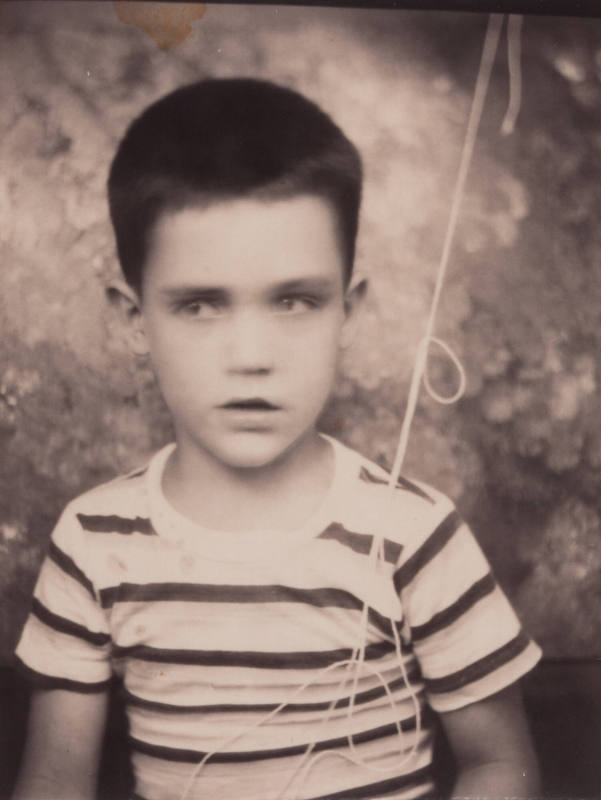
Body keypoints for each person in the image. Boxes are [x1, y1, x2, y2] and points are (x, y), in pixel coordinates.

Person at [12, 78, 541, 800]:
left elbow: (499, 768)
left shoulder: (414, 533)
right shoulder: (93, 542)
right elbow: (54, 782)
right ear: (132, 319)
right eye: (200, 305)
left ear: (347, 313)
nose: (251, 354)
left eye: (295, 301)